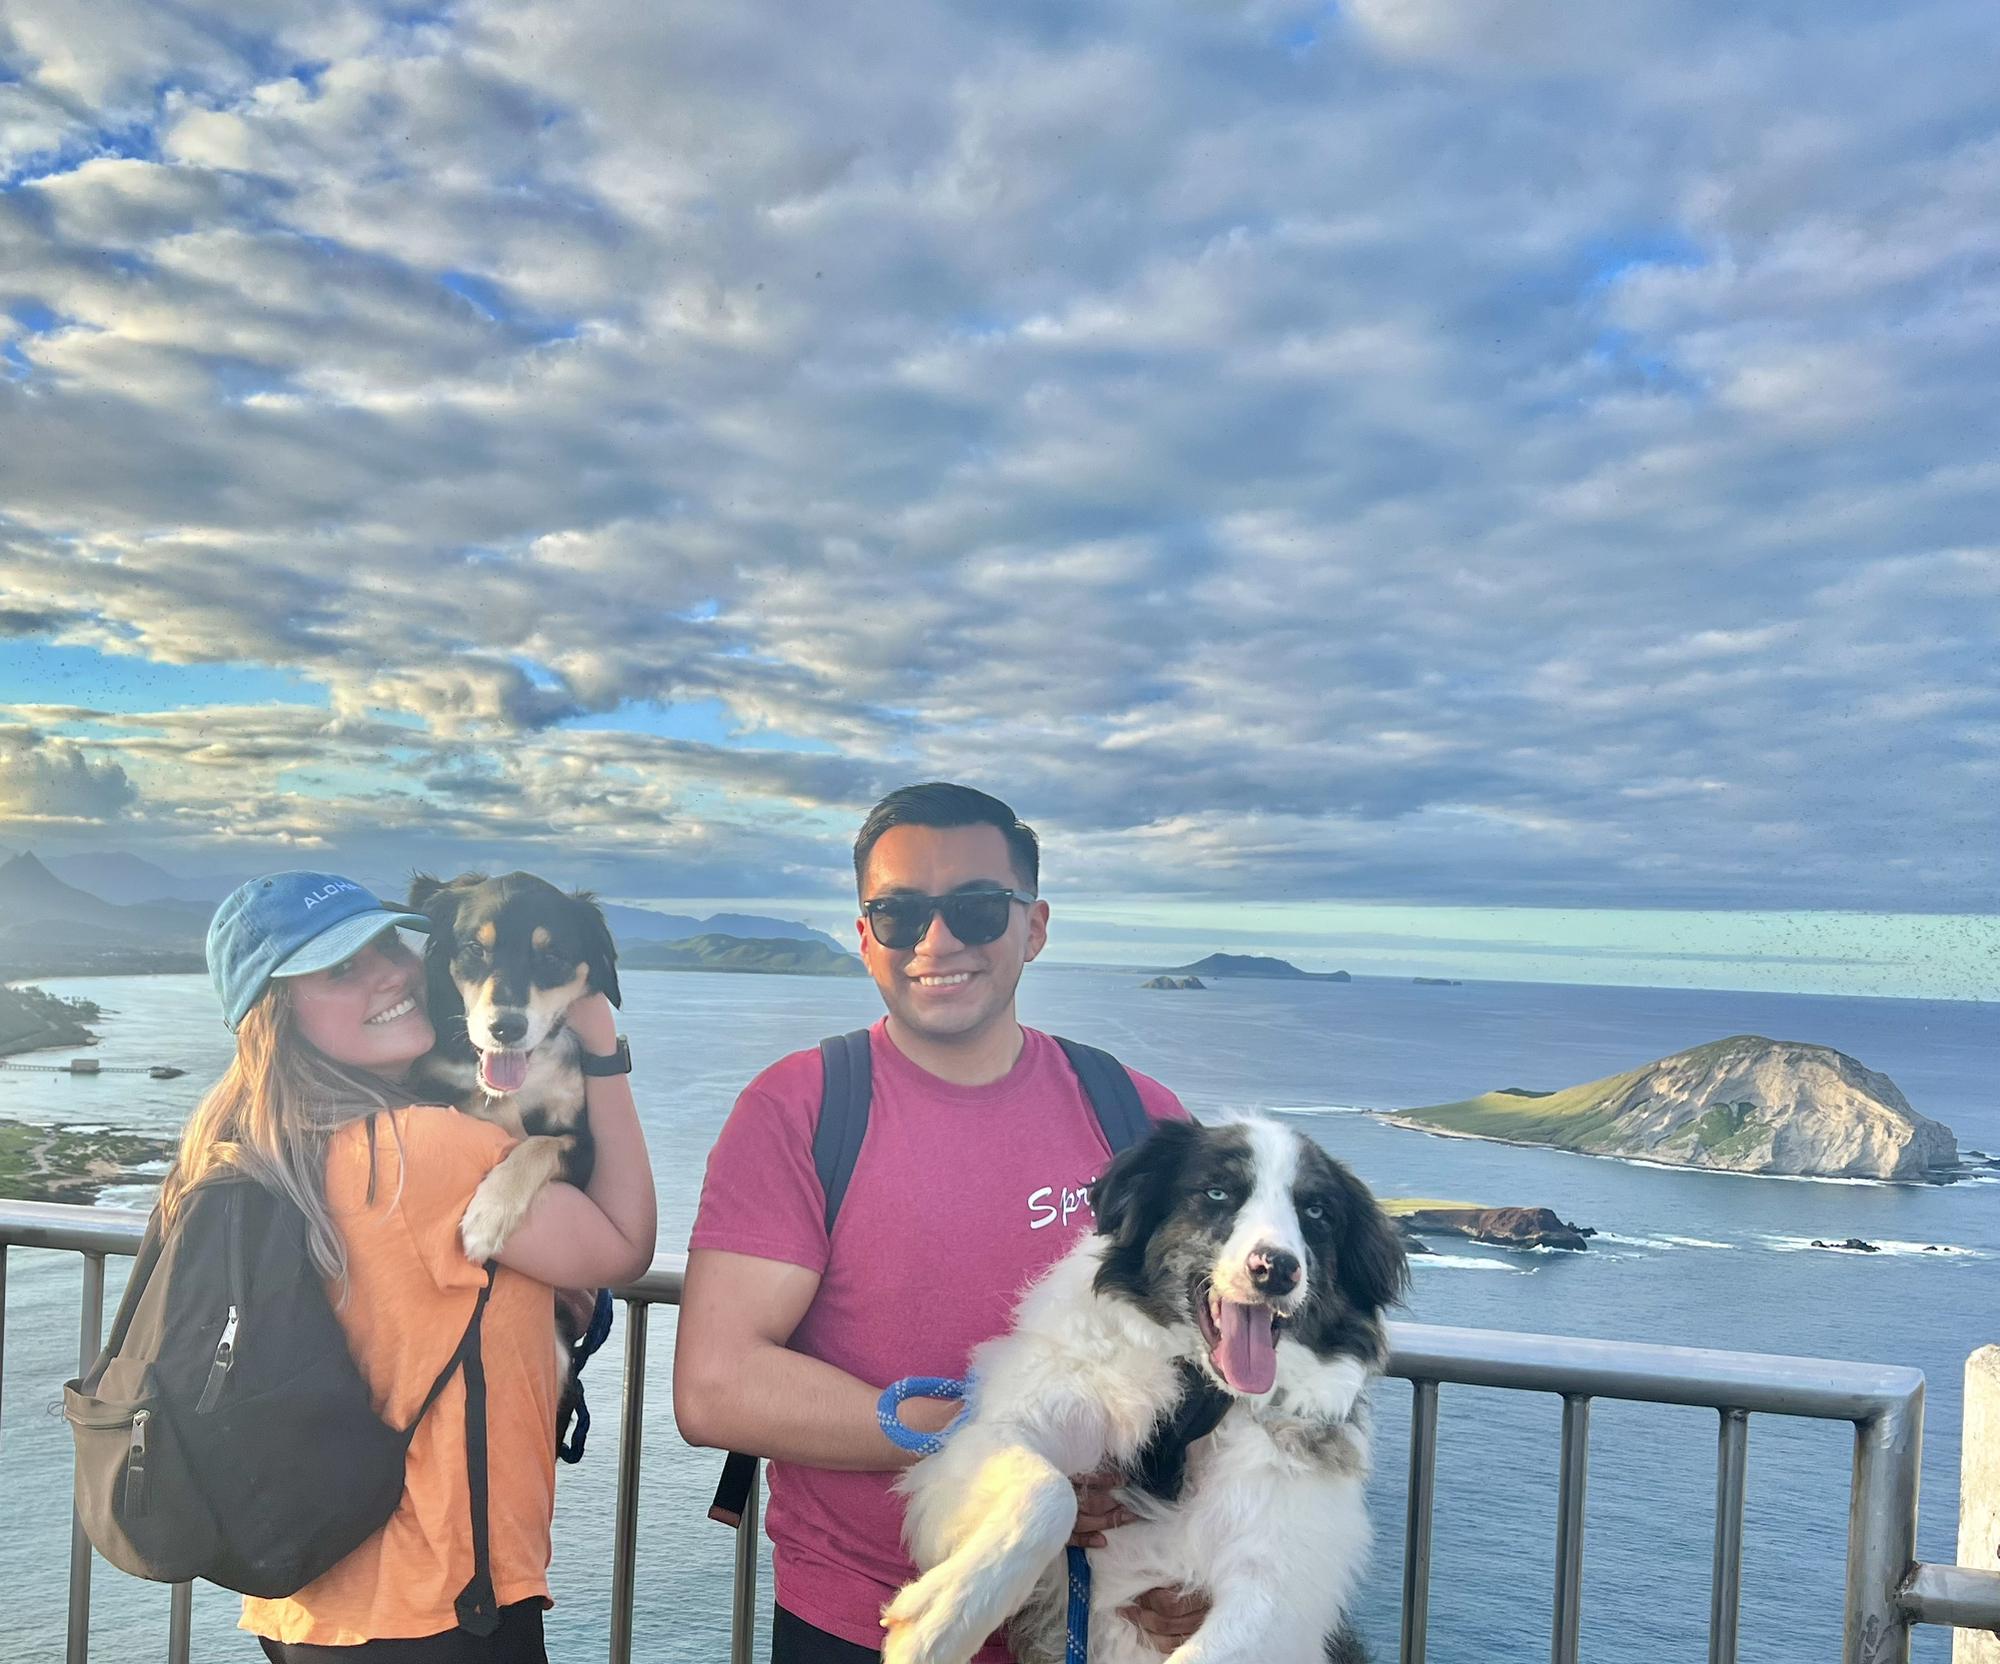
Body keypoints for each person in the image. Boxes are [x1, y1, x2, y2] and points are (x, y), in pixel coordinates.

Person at [674, 783, 1204, 1663]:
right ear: (864, 937)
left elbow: (1220, 1354)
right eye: (900, 914)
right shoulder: (802, 1109)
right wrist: (1002, 1451)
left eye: (976, 908)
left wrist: (1205, 1558)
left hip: (1104, 1624)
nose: (937, 940)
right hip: (871, 1620)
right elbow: (717, 1384)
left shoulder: (1138, 1118)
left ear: (1034, 926)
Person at [168, 870, 656, 1661]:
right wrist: (604, 1051)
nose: (392, 974)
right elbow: (625, 1245)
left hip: (306, 1590)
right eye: (341, 969)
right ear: (280, 1013)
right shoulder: (425, 1150)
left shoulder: (259, 1140)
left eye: (389, 946)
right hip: (438, 1591)